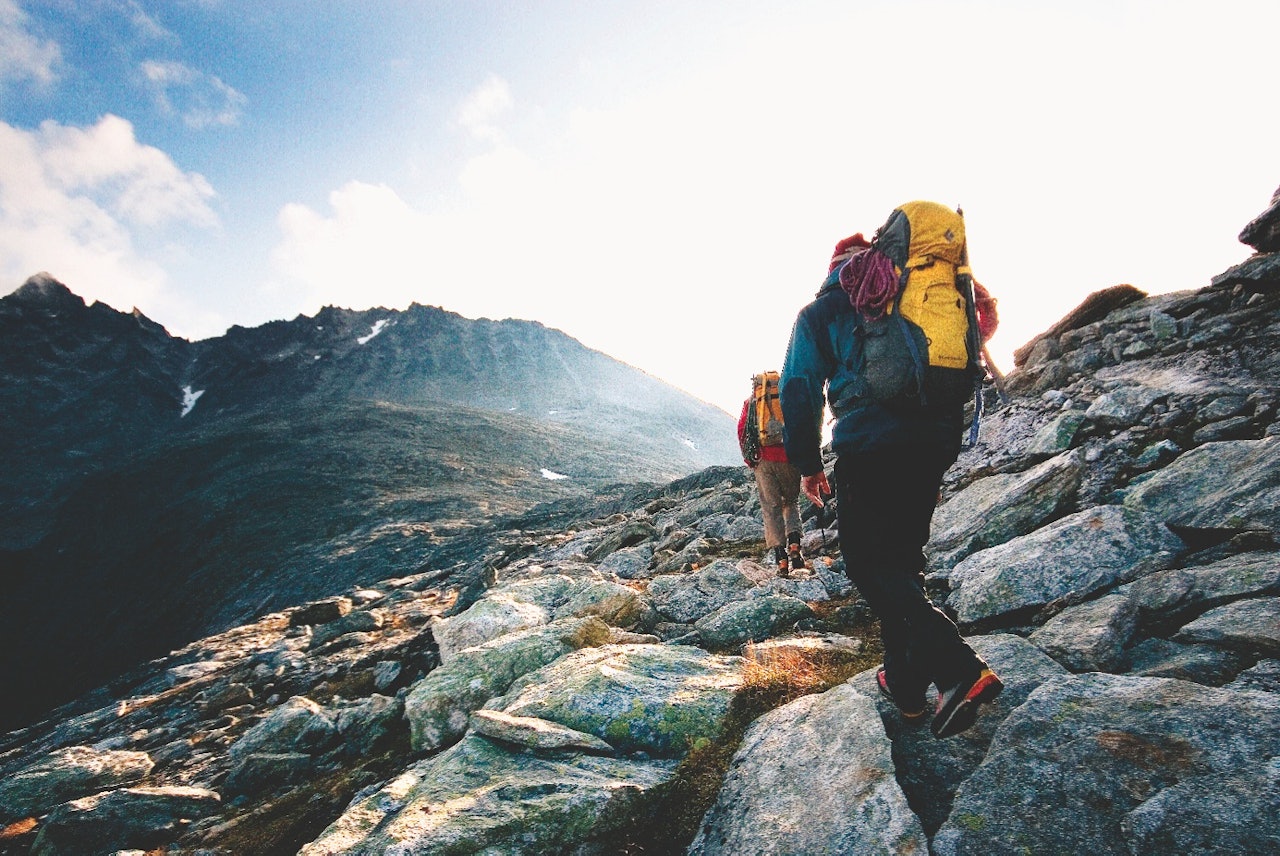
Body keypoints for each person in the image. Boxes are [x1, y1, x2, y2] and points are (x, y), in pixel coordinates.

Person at [779, 226, 1003, 739]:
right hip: (935, 445)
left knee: (866, 564)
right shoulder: (923, 300)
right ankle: (905, 688)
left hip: (871, 447)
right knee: (900, 565)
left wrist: (809, 465)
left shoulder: (824, 311)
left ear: (836, 266)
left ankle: (957, 667)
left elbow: (798, 387)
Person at [737, 373, 807, 577]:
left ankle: (781, 560)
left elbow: (742, 430)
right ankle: (795, 548)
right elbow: (802, 425)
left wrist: (750, 459)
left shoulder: (751, 402)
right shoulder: (787, 398)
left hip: (764, 461)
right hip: (789, 458)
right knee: (792, 502)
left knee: (771, 508)